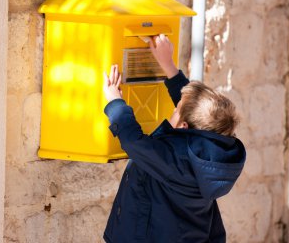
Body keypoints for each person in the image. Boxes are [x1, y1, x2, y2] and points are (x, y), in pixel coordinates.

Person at [102, 34, 246, 243]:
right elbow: (193, 109)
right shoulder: (214, 151)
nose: (175, 108)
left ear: (184, 126)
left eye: (176, 110)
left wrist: (115, 101)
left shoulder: (174, 159)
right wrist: (168, 66)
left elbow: (134, 142)